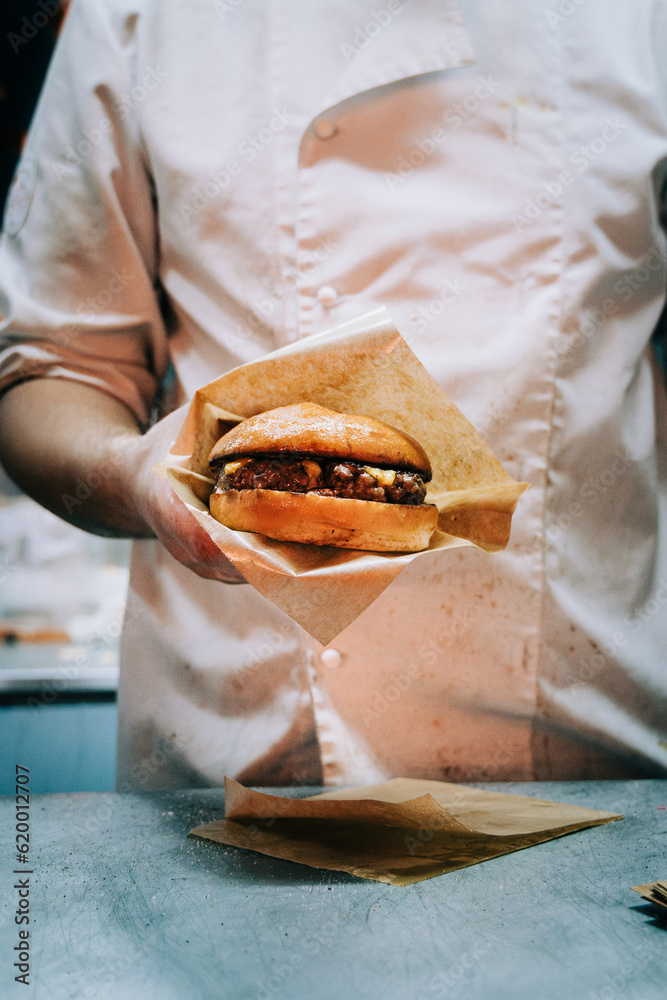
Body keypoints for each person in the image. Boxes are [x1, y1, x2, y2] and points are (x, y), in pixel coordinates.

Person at [0, 0, 665, 790]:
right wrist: (135, 474)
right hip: (247, 758)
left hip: (590, 758)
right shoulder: (143, 15)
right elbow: (52, 367)